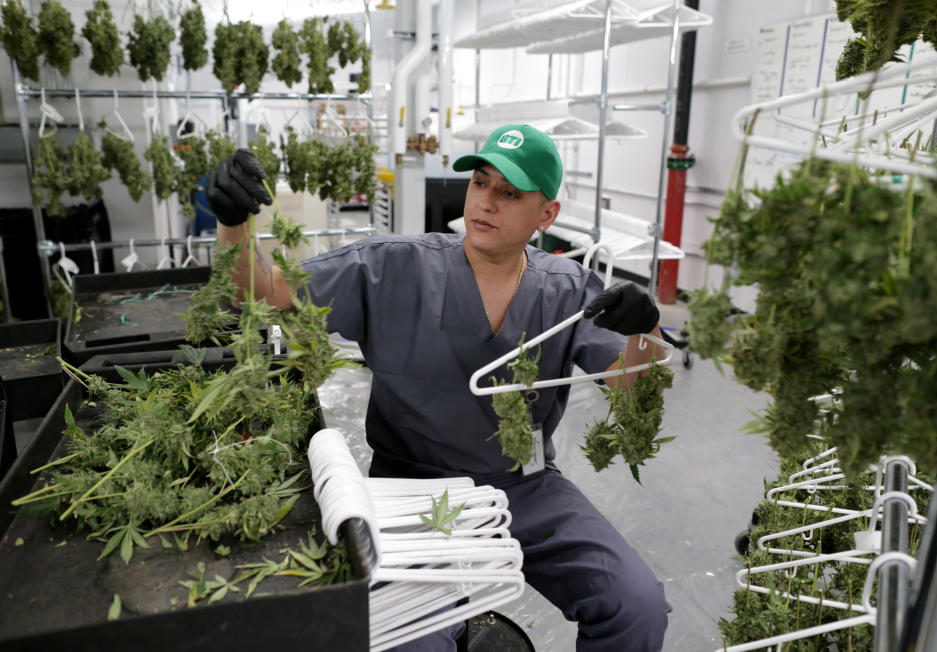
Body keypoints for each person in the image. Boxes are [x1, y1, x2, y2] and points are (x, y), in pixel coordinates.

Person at [208, 124, 672, 651]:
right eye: (480, 182)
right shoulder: (390, 267)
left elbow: (636, 396)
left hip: (523, 487)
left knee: (637, 606)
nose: (486, 202)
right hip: (412, 492)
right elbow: (267, 291)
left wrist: (645, 331)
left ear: (547, 216)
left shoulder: (569, 291)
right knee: (415, 643)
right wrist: (233, 224)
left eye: (510, 193)